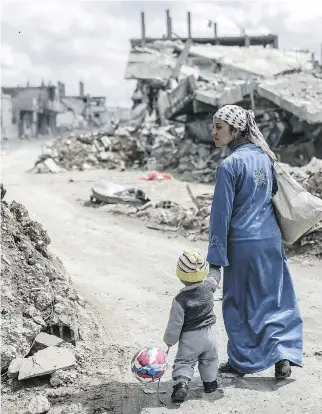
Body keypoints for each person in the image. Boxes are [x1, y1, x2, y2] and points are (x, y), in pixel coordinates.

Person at [207, 104, 303, 380]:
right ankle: (282, 353)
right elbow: (271, 194)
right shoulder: (265, 157)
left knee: (237, 303)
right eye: (213, 126)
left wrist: (215, 260)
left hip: (243, 243)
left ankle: (241, 361)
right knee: (275, 299)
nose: (213, 132)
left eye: (219, 127)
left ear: (235, 130)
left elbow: (220, 217)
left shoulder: (229, 166)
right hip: (270, 241)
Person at [163, 249, 221, 403]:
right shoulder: (208, 286)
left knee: (185, 361)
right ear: (203, 273)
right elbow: (215, 277)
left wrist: (169, 341)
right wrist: (215, 266)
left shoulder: (180, 300)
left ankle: (182, 384)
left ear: (180, 275)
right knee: (210, 359)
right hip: (210, 334)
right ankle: (210, 384)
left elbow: (175, 324)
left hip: (190, 338)